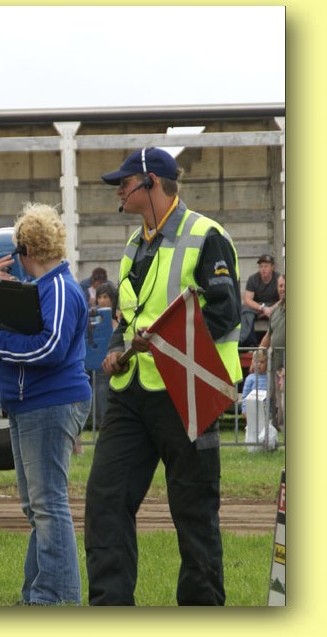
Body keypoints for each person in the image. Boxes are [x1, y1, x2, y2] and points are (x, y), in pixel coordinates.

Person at [86, 147, 242, 606]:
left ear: (150, 182)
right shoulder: (132, 246)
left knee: (194, 513)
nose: (118, 191)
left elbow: (225, 313)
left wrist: (160, 341)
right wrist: (116, 350)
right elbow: (127, 318)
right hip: (131, 393)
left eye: (124, 183)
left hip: (188, 392)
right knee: (105, 500)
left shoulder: (206, 236)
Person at [0, 202, 91, 606]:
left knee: (48, 504)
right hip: (32, 405)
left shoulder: (60, 290)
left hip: (50, 403)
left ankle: (55, 599)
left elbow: (50, 349)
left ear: (25, 250)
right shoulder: (42, 288)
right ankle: (40, 594)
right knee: (37, 506)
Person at [75, 281, 118, 454]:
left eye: (106, 296)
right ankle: (79, 444)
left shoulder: (118, 316)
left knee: (103, 399)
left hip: (109, 365)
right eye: (99, 297)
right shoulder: (92, 316)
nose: (102, 300)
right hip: (92, 362)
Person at [259, 273, 286, 430]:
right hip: (277, 365)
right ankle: (281, 432)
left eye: (285, 285)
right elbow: (269, 335)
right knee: (279, 402)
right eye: (281, 286)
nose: (283, 289)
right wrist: (258, 355)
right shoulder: (276, 311)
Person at [239, 253, 281, 347]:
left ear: (272, 267)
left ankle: (279, 342)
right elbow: (247, 299)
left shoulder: (279, 278)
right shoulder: (253, 279)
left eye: (266, 266)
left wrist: (271, 309)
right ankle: (246, 342)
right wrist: (262, 308)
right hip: (259, 306)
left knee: (283, 310)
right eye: (261, 266)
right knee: (245, 309)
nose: (263, 269)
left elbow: (284, 298)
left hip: (274, 306)